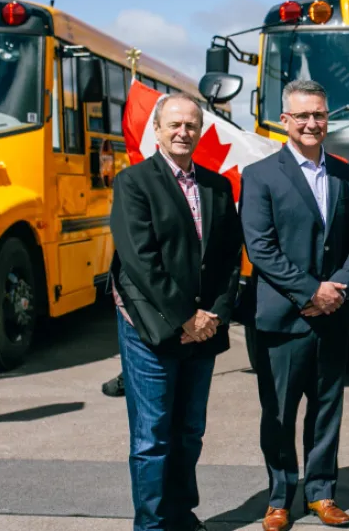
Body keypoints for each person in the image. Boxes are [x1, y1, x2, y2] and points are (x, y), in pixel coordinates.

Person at [108, 93, 243, 531]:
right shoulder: (134, 183)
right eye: (175, 125)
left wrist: (215, 314)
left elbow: (227, 258)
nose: (183, 132)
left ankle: (181, 514)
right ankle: (151, 524)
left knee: (189, 432)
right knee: (152, 438)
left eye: (191, 125)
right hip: (151, 326)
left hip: (203, 330)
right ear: (158, 131)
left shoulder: (217, 186)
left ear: (200, 130)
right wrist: (186, 316)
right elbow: (139, 260)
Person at [238, 79, 349, 531]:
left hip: (333, 317)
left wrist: (338, 289)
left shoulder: (347, 176)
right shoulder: (260, 175)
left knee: (327, 409)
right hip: (282, 319)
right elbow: (261, 247)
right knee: (279, 414)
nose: (312, 123)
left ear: (328, 118)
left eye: (320, 115)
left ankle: (322, 492)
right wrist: (311, 291)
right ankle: (278, 498)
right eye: (303, 115)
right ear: (285, 120)